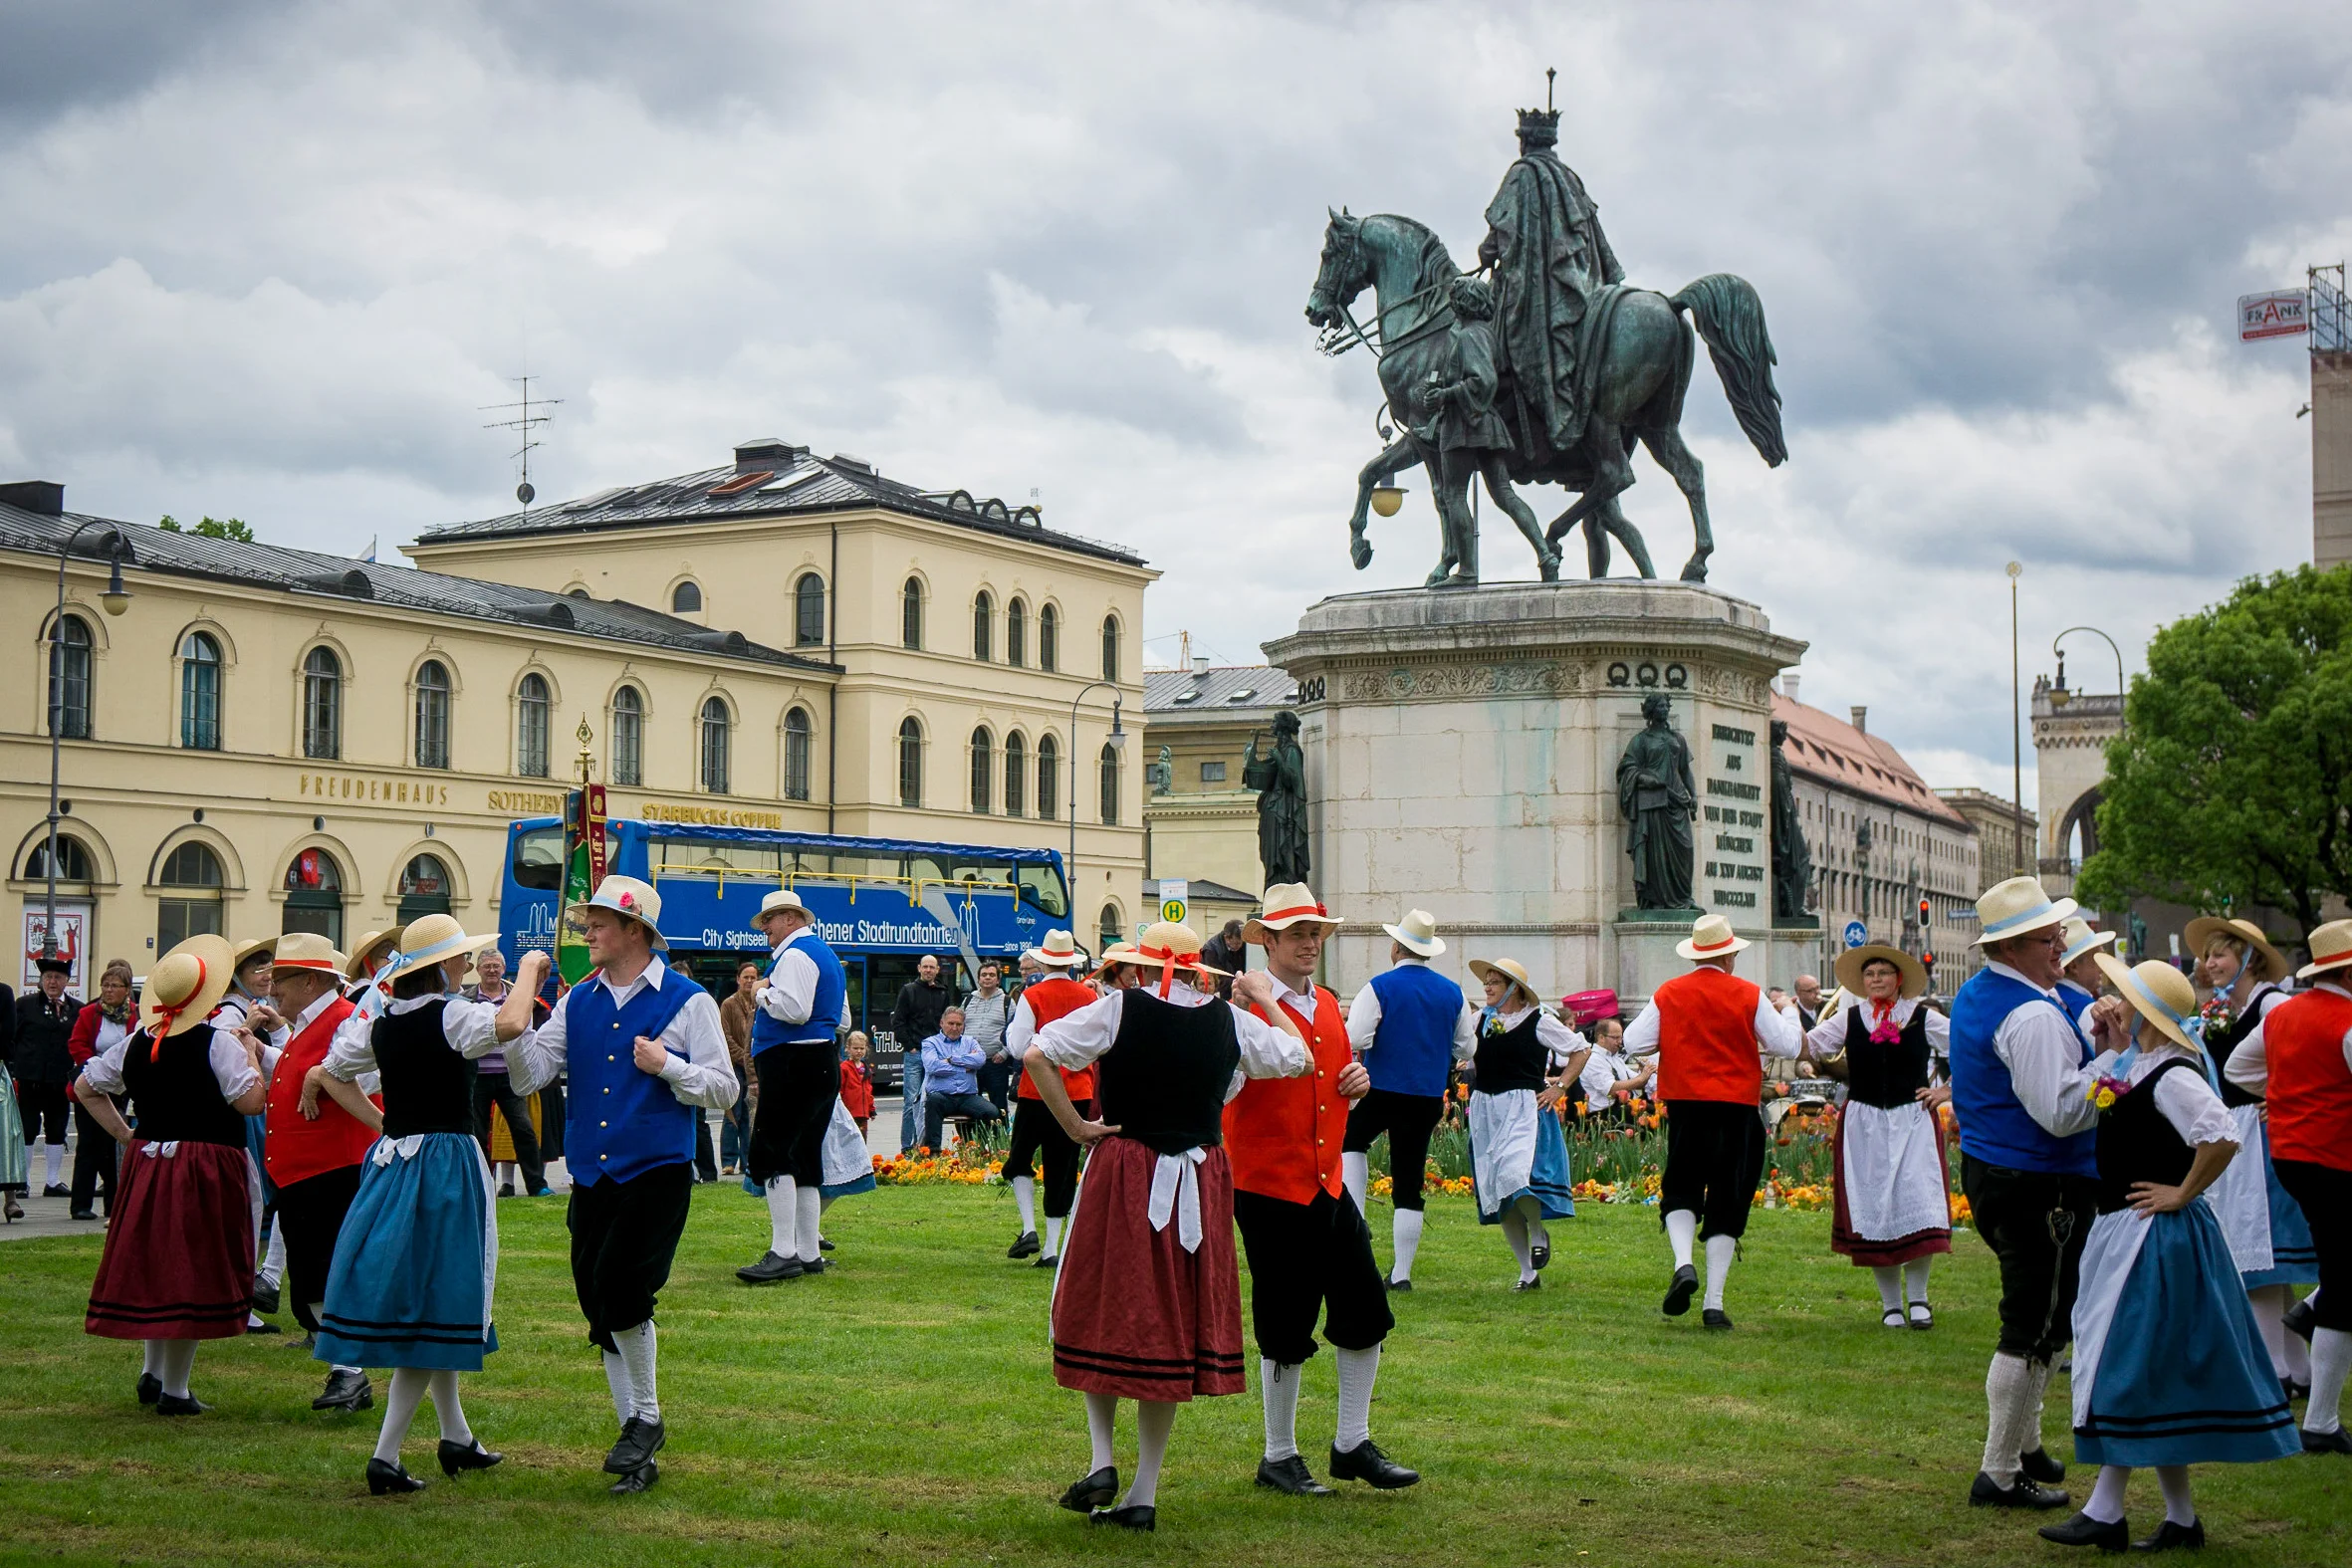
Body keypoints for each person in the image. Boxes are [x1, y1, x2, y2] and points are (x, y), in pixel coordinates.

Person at [1025, 922, 1312, 1531]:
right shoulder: (1228, 1022)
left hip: (1126, 1170)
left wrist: (1077, 1129)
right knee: (1171, 1329)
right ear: (1198, 968)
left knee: (1102, 1306)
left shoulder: (1117, 1011)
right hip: (1199, 1181)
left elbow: (1036, 1053)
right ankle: (1143, 1493)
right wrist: (1264, 998)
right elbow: (1298, 1057)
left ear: (1142, 967)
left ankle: (1103, 1460)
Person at [2035, 956, 2297, 1551]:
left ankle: (2106, 1510)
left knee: (2128, 1363)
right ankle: (2180, 1519)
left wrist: (2182, 1191)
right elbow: (2112, 1089)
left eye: (2123, 995)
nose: (2111, 999)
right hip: (2130, 1231)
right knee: (2153, 1372)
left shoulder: (2173, 1073)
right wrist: (2111, 1042)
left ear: (2147, 1010)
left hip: (2156, 1240)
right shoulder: (2141, 1061)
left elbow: (2221, 1133)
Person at [495, 877, 739, 1494]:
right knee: (599, 1306)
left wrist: (669, 1066)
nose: (587, 932)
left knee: (622, 1289)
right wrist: (521, 1010)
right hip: (592, 1174)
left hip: (656, 1170)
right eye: (587, 922)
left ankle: (646, 1419)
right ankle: (636, 1440)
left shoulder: (689, 1001)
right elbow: (530, 1077)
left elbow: (725, 1088)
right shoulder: (579, 999)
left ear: (635, 931)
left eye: (599, 922)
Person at [310, 913, 517, 1492]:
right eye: (460, 960)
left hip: (394, 1162)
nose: (467, 968)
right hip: (445, 1165)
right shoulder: (452, 1015)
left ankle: (456, 1436)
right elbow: (514, 1022)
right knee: (435, 1303)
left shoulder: (379, 1022)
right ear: (443, 968)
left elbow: (332, 1071)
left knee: (435, 1299)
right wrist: (530, 970)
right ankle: (386, 1454)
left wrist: (384, 1124)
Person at [1230, 885, 1416, 1495]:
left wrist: (1354, 1081)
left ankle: (1351, 1443)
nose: (1310, 943)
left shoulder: (1331, 1004)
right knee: (1284, 1321)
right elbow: (1227, 1091)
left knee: (1365, 1310)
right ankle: (1278, 1454)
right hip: (1267, 1185)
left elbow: (1327, 1076)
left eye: (1316, 933)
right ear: (1271, 942)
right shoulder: (1242, 1009)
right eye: (1298, 934)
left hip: (1326, 1185)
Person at [1947, 876, 2115, 1511]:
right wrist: (2115, 1066)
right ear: (2013, 946)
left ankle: (2022, 1445)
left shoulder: (1983, 994)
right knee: (2033, 1323)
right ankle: (1998, 1467)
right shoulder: (2032, 1013)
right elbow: (2061, 1112)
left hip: (2003, 1173)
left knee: (2044, 1318)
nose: (2061, 948)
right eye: (2050, 939)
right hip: (2039, 1181)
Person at [74, 934, 263, 1414]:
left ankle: (152, 1373)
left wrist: (128, 1137)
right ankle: (175, 1390)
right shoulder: (217, 1041)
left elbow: (84, 1087)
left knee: (157, 1264)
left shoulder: (138, 1042)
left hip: (149, 1164)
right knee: (191, 1270)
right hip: (204, 1166)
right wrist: (254, 1059)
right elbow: (249, 1102)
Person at [1622, 913, 1802, 1328]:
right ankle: (1714, 1303)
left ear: (1694, 957)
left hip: (1686, 1105)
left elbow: (1634, 1042)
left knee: (1681, 1188)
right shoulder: (1748, 993)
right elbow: (1788, 1045)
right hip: (1736, 1108)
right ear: (1731, 956)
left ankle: (1684, 1263)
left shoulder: (1669, 992)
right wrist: (1789, 1011)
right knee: (1728, 1196)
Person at [2221, 916, 2352, 1457]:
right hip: (2338, 1157)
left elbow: (2237, 1067)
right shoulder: (2346, 1021)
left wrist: (2288, 1094)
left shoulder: (2284, 1014)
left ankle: (2312, 1309)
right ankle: (2320, 1419)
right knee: (2343, 1280)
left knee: (2340, 1268)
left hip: (2293, 1156)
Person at [2188, 915, 2316, 1400]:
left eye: (2220, 954)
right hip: (2237, 1133)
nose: (2210, 963)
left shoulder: (2273, 1002)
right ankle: (2297, 1371)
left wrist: (2280, 1098)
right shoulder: (2226, 1006)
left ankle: (2275, 1372)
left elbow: (2303, 1060)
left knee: (2261, 1259)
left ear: (2248, 958)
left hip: (2263, 1137)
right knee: (2261, 1262)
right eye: (2208, 954)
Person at [1803, 945, 1952, 1329]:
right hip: (1865, 1122)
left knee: (1916, 1199)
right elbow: (1810, 1044)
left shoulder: (1921, 1017)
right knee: (1877, 1208)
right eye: (1870, 975)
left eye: (1884, 973)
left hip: (1912, 1120)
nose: (1876, 980)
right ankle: (1890, 1305)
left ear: (1898, 979)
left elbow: (1970, 1047)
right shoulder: (1850, 1019)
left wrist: (1947, 1091)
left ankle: (1918, 1300)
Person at [261, 934, 379, 1414]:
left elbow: (368, 1079)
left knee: (324, 1278)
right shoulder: (308, 1022)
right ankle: (348, 1373)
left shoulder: (345, 1020)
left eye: (280, 980)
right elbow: (298, 1071)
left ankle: (349, 1373)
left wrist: (323, 1076)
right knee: (313, 1280)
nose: (272, 990)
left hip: (334, 1170)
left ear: (310, 981)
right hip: (305, 1173)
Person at [1342, 908, 1477, 1291]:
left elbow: (1354, 1038)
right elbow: (1467, 1045)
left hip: (1380, 1086)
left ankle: (1356, 1222)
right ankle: (1401, 1273)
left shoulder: (1379, 986)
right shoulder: (1453, 992)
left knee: (1350, 1141)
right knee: (1409, 1178)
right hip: (1426, 1095)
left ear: (1396, 947)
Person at [739, 889, 847, 1285]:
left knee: (772, 1152)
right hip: (818, 1060)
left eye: (768, 920)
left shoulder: (796, 955)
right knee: (803, 1157)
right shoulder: (826, 955)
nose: (764, 928)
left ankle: (783, 1251)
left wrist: (761, 992)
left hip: (792, 1061)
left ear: (789, 918)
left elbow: (796, 1009)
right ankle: (808, 1252)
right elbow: (842, 1018)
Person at [1464, 957, 1585, 1291]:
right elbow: (1461, 1048)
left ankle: (1536, 1230)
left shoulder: (1538, 1020)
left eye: (1495, 982)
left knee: (1516, 1177)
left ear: (1514, 989)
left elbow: (1580, 1049)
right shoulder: (1478, 1020)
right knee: (1499, 1190)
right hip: (1486, 1110)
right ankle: (1527, 1273)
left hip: (1522, 1107)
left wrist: (1559, 1086)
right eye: (1486, 982)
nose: (1487, 987)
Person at [1000, 931, 1098, 1265]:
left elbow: (1016, 1047)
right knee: (1063, 1167)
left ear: (1042, 961)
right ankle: (1052, 1248)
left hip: (1036, 1090)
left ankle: (1029, 1228)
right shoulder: (1089, 996)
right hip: (1077, 1092)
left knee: (1018, 1160)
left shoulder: (1032, 994)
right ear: (1071, 962)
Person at [214, 937, 289, 1332]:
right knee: (249, 1203)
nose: (265, 974)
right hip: (242, 1117)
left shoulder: (264, 1010)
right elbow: (222, 1054)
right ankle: (242, 1299)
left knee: (260, 1201)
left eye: (268, 967)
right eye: (256, 968)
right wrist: (248, 1029)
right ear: (238, 975)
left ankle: (250, 1291)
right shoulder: (228, 1013)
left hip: (262, 1113)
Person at [465, 949, 547, 1199]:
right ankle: (483, 1184)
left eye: (496, 966)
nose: (492, 970)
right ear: (478, 970)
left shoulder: (516, 996)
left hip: (509, 1075)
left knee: (523, 1129)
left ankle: (536, 1184)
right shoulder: (465, 999)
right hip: (478, 1076)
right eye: (487, 965)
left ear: (503, 969)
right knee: (477, 1133)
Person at [66, 959, 136, 1219]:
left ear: (126, 990)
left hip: (124, 1087)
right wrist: (95, 1071)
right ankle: (81, 1205)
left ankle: (114, 1204)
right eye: (104, 985)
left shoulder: (137, 1015)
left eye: (114, 985)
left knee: (115, 1148)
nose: (107, 990)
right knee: (88, 1147)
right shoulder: (89, 1013)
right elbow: (77, 1044)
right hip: (91, 1084)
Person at [15, 954, 80, 1198]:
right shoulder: (25, 1005)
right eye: (48, 977)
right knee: (28, 1129)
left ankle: (52, 1181)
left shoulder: (76, 1009)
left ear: (67, 981)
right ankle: (23, 1181)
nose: (52, 982)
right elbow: (14, 1036)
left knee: (57, 1128)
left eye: (58, 977)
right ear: (41, 980)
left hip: (60, 1079)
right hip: (30, 1077)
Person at [891, 955, 953, 1153]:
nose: (928, 970)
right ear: (919, 968)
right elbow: (898, 1022)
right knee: (911, 1101)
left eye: (932, 967)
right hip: (915, 1054)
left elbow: (947, 1024)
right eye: (925, 967)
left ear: (937, 970)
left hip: (935, 1055)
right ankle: (907, 1147)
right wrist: (910, 1046)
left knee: (932, 1101)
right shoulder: (908, 991)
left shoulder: (943, 993)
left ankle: (925, 1146)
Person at [920, 1008, 1005, 1151]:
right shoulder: (930, 1043)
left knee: (992, 1112)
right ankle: (932, 1151)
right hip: (942, 1096)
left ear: (964, 1025)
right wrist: (964, 1067)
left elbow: (980, 1060)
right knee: (932, 1102)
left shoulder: (970, 1041)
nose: (954, 1028)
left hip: (967, 1097)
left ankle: (978, 1148)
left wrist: (952, 1059)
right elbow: (932, 1066)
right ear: (942, 1023)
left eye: (959, 1024)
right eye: (950, 1023)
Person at [718, 960, 762, 1174]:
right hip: (734, 1066)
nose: (750, 981)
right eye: (746, 977)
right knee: (732, 1113)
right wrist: (743, 1059)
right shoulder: (728, 1004)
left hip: (754, 1066)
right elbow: (725, 1036)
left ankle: (747, 1161)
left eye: (754, 977)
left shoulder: (759, 1003)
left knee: (749, 1113)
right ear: (738, 979)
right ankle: (728, 1160)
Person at [1576, 1015, 1654, 1117]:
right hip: (1605, 1114)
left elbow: (1637, 1083)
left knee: (1656, 1111)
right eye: (1615, 1038)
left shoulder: (1615, 1058)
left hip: (1622, 1108)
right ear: (1601, 1038)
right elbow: (1612, 1090)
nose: (1620, 1041)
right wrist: (1641, 1078)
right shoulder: (1593, 1059)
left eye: (1621, 1037)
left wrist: (1644, 1071)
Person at [2052, 919, 2113, 1026]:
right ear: (2074, 966)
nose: (2102, 969)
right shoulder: (2090, 1012)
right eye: (2097, 959)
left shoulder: (2051, 997)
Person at [839, 1032, 875, 1136]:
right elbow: (840, 1091)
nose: (859, 1051)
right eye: (855, 1048)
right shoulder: (844, 1068)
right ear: (848, 1048)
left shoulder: (866, 1068)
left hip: (863, 1114)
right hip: (848, 1113)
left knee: (862, 1140)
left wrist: (871, 1109)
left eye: (862, 1048)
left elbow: (868, 1090)